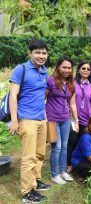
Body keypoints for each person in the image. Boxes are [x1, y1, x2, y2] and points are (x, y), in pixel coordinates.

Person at [9, 39, 50, 203]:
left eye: (44, 53)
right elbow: (13, 95)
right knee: (28, 157)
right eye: (37, 52)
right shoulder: (21, 69)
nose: (41, 56)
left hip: (41, 119)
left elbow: (40, 95)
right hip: (26, 119)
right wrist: (14, 120)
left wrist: (45, 115)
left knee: (40, 154)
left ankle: (35, 180)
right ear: (30, 53)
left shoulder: (44, 70)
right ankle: (27, 192)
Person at [45, 56, 79, 185]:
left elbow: (73, 104)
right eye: (64, 67)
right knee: (56, 147)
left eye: (69, 68)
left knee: (64, 146)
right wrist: (44, 117)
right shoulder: (50, 80)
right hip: (52, 119)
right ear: (58, 67)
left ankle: (63, 171)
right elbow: (43, 98)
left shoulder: (71, 84)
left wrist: (76, 120)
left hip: (65, 119)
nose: (67, 70)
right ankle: (55, 174)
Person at [67, 60, 91, 171]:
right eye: (83, 68)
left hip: (87, 119)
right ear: (79, 70)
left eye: (88, 69)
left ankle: (79, 163)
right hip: (74, 119)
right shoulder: (72, 83)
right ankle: (69, 164)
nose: (86, 71)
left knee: (82, 141)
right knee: (72, 141)